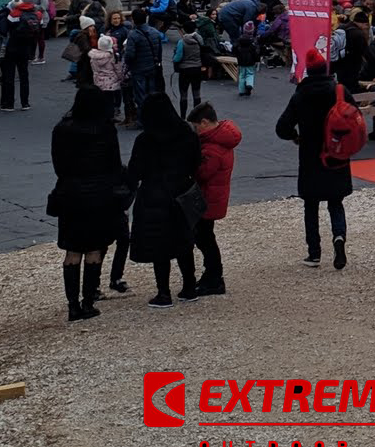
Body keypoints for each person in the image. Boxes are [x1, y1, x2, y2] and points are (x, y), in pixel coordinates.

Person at [50, 85, 129, 320]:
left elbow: (58, 165)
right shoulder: (105, 129)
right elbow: (114, 164)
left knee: (73, 251)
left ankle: (72, 305)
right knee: (94, 249)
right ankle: (88, 301)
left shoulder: (62, 129)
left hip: (71, 193)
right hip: (99, 194)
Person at [277, 46, 350, 270]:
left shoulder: (301, 95)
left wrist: (295, 136)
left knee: (311, 205)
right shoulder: (339, 90)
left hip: (310, 155)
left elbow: (282, 127)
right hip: (336, 152)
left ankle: (314, 253)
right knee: (336, 202)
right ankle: (339, 237)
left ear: (308, 70)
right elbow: (353, 113)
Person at [128, 91, 200, 307]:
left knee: (159, 245)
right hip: (181, 190)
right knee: (183, 241)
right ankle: (189, 286)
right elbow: (195, 161)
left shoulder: (145, 139)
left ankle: (164, 292)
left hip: (154, 193)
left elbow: (135, 171)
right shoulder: (186, 133)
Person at [188, 102, 239, 296]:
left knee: (205, 239)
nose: (196, 131)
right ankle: (212, 276)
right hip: (214, 196)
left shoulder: (212, 147)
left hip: (207, 198)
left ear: (204, 122)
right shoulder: (221, 138)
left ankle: (214, 278)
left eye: (196, 126)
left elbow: (202, 173)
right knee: (206, 237)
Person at [1, 0, 38, 111]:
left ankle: (9, 104)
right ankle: (25, 103)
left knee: (9, 76)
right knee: (24, 75)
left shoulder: (14, 14)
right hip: (26, 48)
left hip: (13, 47)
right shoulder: (34, 14)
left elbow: (3, 30)